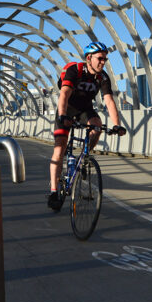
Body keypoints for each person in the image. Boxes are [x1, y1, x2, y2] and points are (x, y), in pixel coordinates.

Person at [48, 42, 126, 211]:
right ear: (89, 58)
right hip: (67, 108)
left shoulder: (102, 77)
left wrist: (117, 125)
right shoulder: (74, 71)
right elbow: (64, 94)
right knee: (59, 149)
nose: (103, 62)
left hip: (85, 110)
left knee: (97, 125)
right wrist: (62, 115)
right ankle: (54, 191)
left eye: (105, 59)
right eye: (100, 58)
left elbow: (109, 101)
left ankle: (84, 157)